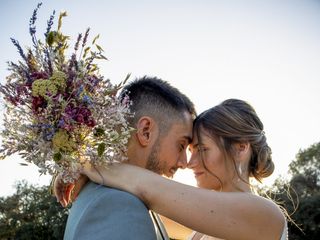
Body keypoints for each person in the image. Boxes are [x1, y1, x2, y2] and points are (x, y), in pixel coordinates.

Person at [56, 99, 287, 240]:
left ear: (241, 148)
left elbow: (144, 186)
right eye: (190, 149)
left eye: (203, 149)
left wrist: (84, 162)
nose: (190, 162)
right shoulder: (199, 225)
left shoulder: (265, 215)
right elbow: (131, 200)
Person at [57, 76, 196, 240]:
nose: (184, 163)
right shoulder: (117, 204)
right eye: (181, 145)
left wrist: (86, 163)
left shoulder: (130, 201)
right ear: (146, 131)